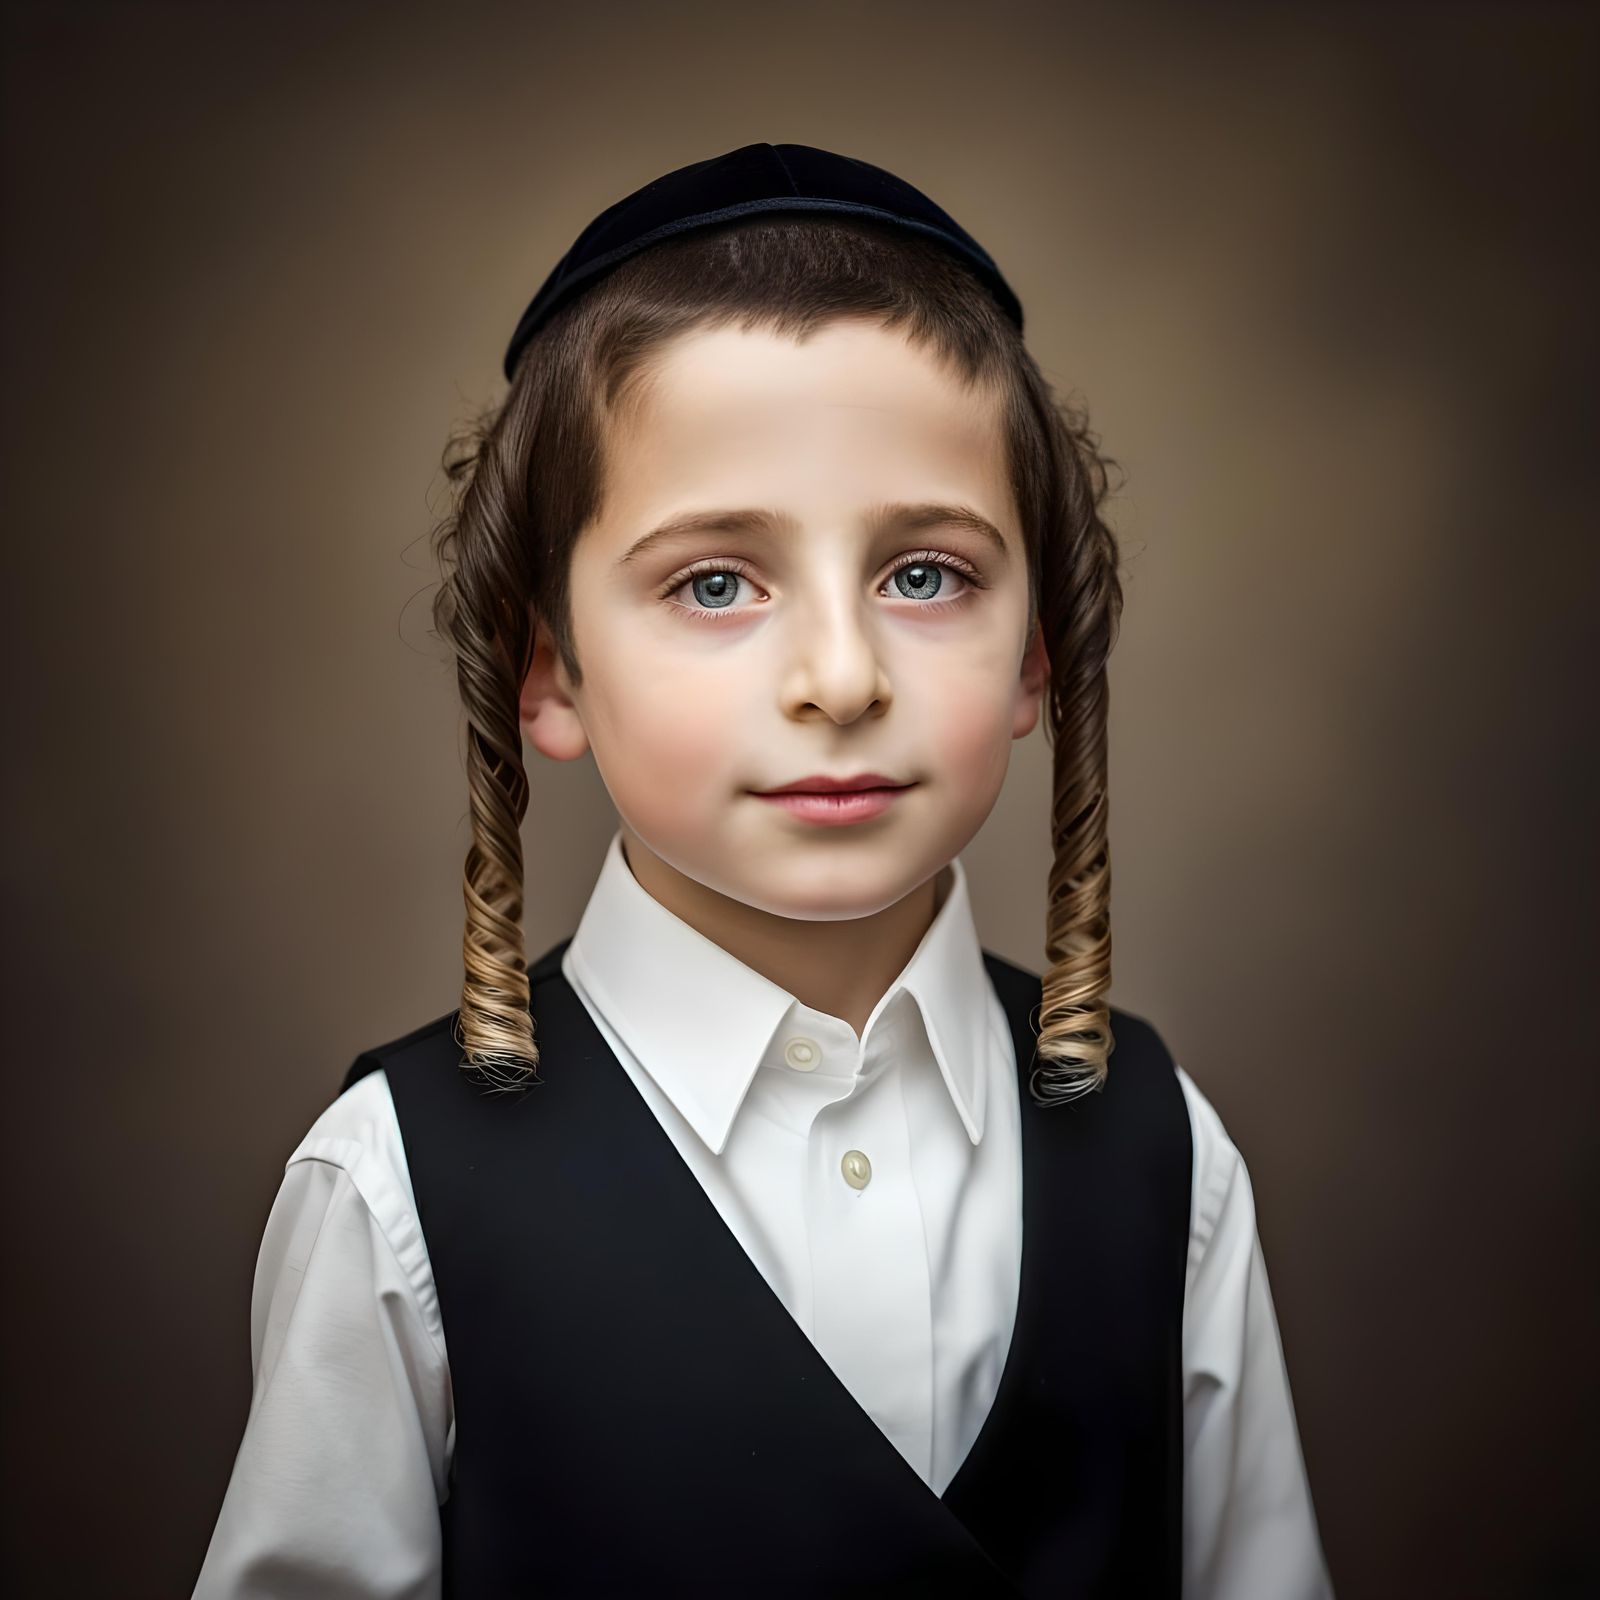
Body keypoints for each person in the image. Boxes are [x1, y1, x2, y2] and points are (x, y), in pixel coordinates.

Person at [194, 143, 1334, 1598]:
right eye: (715, 583)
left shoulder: (1168, 1159)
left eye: (927, 575)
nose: (842, 678)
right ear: (549, 671)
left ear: (1039, 652)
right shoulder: (392, 1192)